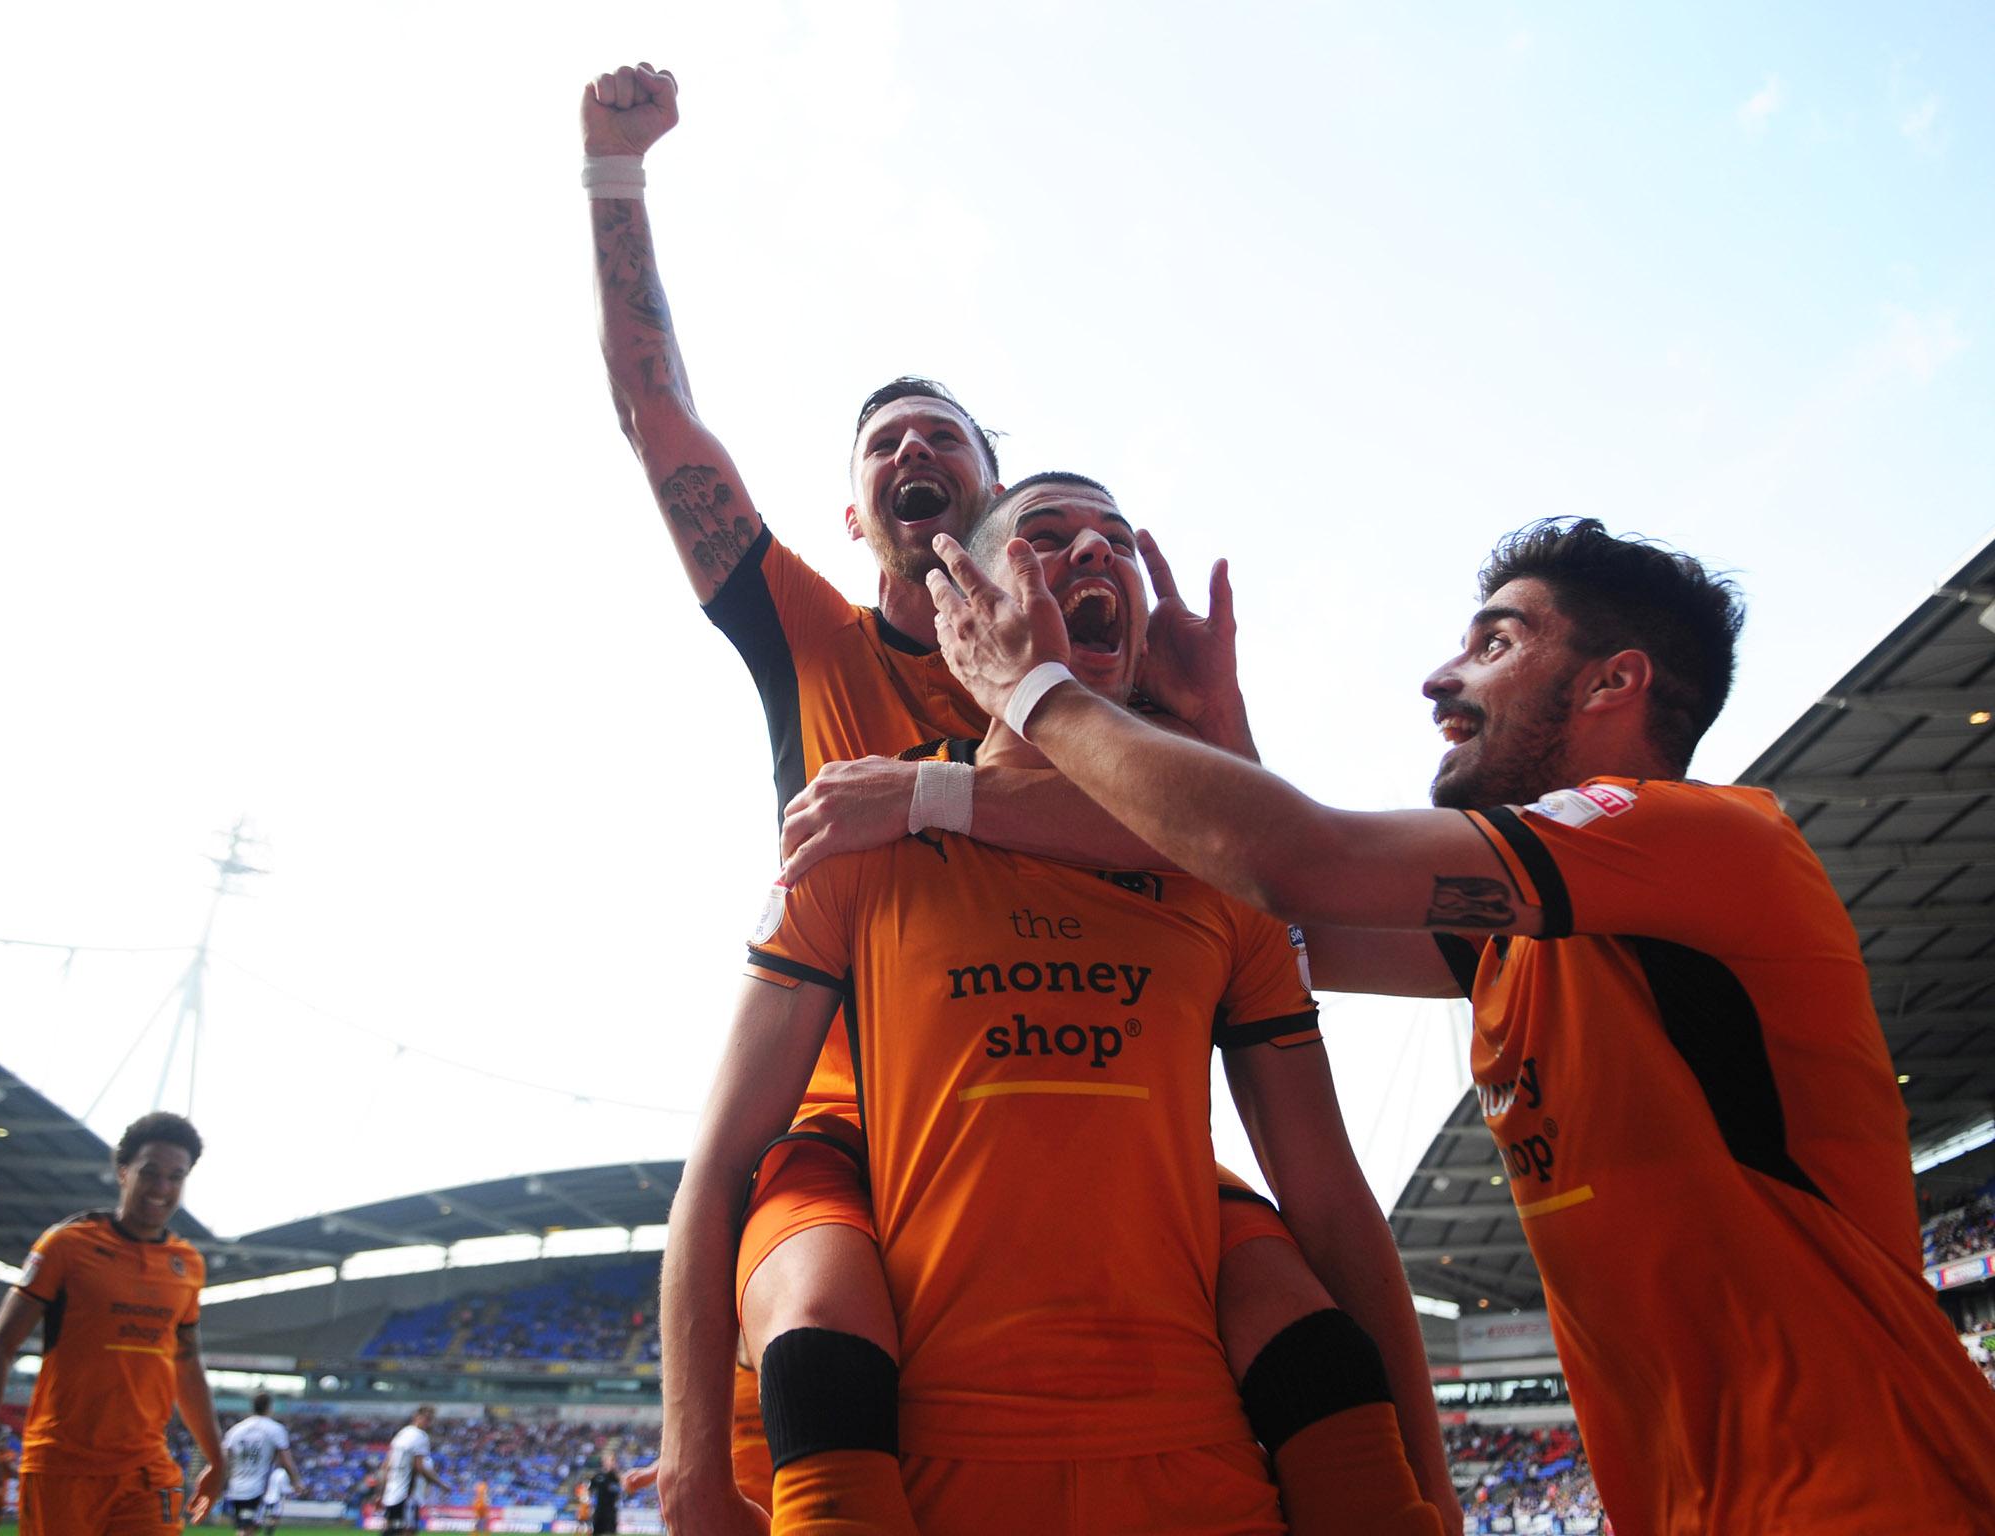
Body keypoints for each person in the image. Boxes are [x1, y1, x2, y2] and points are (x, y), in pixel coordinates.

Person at [584, 64, 1456, 1532]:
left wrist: (1165, 734)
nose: (916, 451)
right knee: (822, 1325)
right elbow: (658, 418)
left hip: (1108, 1135)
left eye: (951, 440)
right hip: (854, 1111)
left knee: (1290, 1315)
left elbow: (1259, 871)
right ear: (861, 519)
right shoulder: (813, 641)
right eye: (887, 446)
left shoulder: (1098, 697)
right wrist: (616, 175)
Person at [921, 514, 1995, 1533]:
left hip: (1878, 1498)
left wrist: (1038, 695)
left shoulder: (1713, 841)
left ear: (1614, 682)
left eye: (1495, 642)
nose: (1441, 677)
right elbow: (1277, 911)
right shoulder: (1511, 947)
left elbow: (1301, 860)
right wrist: (1212, 729)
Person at [664, 475, 1440, 1536]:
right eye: (1046, 537)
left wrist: (1424, 1485)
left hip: (1197, 1470)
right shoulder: (862, 832)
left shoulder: (1219, 877)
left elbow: (1330, 1197)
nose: (1092, 555)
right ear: (961, 604)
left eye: (1115, 540)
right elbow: (719, 1167)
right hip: (917, 1476)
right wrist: (690, 1470)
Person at [0, 1110, 226, 1536]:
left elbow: (187, 1365)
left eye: (176, 1177)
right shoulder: (67, 1245)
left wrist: (215, 1456)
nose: (161, 1188)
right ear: (123, 1172)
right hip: (63, 1467)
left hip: (145, 1470)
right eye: (149, 1173)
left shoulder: (187, 1264)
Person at [220, 1392, 302, 1532]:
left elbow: (224, 1458)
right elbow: (285, 1459)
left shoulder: (237, 1429)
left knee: (246, 1527)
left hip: (236, 1487)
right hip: (257, 1487)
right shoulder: (275, 1429)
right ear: (269, 1407)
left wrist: (221, 1483)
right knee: (248, 1529)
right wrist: (296, 1481)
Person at [379, 1406, 450, 1533]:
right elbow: (419, 1467)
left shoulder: (401, 1434)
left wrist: (381, 1492)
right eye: (427, 1419)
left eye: (430, 1419)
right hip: (406, 1493)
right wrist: (441, 1484)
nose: (429, 1423)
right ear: (417, 1417)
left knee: (391, 1528)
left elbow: (386, 1465)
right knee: (408, 1530)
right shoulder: (420, 1436)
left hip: (392, 1491)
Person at [587, 1451, 623, 1536]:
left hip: (611, 1510)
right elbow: (589, 1489)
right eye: (608, 1460)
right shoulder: (598, 1476)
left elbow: (624, 1486)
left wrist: (616, 1471)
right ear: (604, 1462)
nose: (610, 1463)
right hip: (599, 1509)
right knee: (596, 1531)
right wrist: (589, 1503)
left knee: (610, 1532)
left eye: (612, 1461)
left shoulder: (616, 1476)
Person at [260, 1462, 290, 1533]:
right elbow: (283, 1488)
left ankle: (267, 1531)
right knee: (275, 1517)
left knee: (269, 1516)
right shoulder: (283, 1473)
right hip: (277, 1498)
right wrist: (291, 1490)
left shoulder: (273, 1472)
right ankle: (269, 1532)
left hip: (268, 1497)